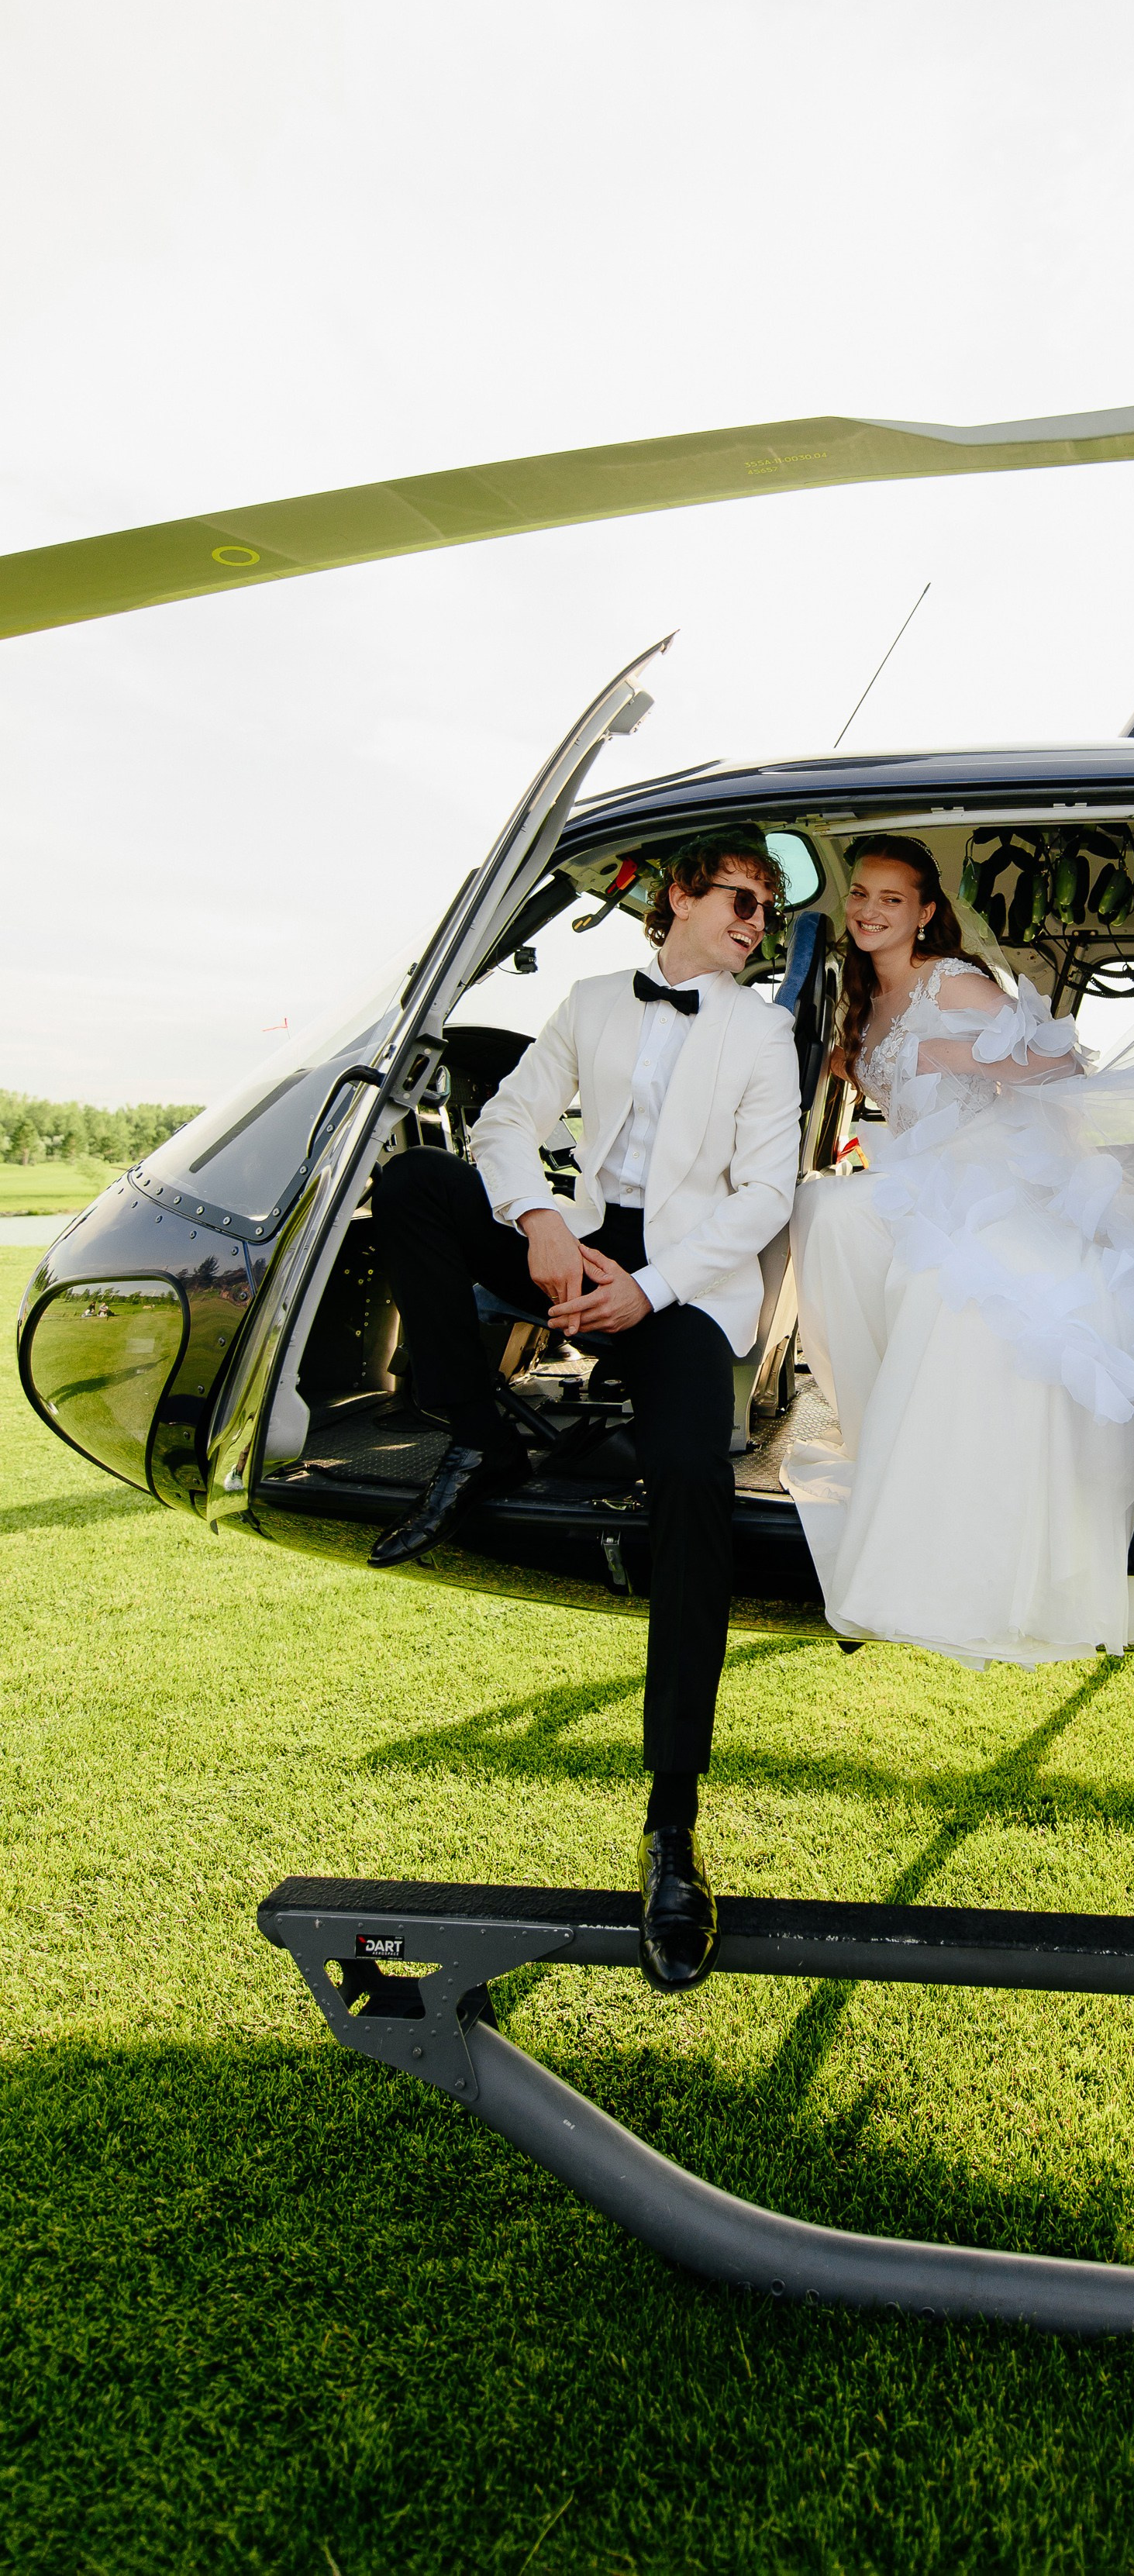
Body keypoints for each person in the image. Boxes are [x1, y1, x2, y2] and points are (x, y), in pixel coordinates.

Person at [369, 827, 801, 1989]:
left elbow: (764, 1193)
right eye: (742, 900)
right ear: (678, 899)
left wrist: (644, 1289)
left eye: (768, 911)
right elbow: (506, 1122)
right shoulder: (591, 998)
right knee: (413, 1183)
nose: (758, 925)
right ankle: (476, 1423)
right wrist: (538, 1217)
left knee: (693, 1479)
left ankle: (671, 1820)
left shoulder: (765, 1029)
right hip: (583, 1235)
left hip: (683, 1277)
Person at [784, 834, 1134, 1664]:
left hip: (994, 1172)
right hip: (920, 1173)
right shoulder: (859, 998)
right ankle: (879, 1437)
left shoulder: (952, 980)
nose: (869, 910)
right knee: (828, 1212)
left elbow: (1060, 1060)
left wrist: (947, 1051)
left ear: (924, 912)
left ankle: (958, 1509)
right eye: (861, 895)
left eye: (891, 898)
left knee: (944, 1282)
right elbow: (869, 1085)